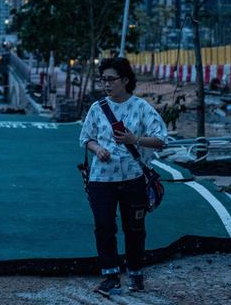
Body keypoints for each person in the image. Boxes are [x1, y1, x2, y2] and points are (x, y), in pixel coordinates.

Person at [79, 57, 168, 297]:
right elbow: (85, 137)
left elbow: (161, 139)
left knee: (135, 228)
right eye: (103, 80)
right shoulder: (98, 108)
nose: (106, 84)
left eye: (111, 79)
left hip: (133, 178)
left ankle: (136, 274)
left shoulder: (141, 107)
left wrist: (135, 140)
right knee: (104, 227)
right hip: (100, 179)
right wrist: (97, 149)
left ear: (125, 80)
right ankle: (110, 277)